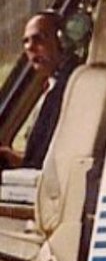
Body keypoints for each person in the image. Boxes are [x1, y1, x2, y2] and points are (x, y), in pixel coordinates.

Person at [0, 11, 78, 171]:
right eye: (26, 42)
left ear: (62, 41)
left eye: (39, 39)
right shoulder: (54, 85)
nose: (29, 47)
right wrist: (16, 158)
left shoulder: (69, 87)